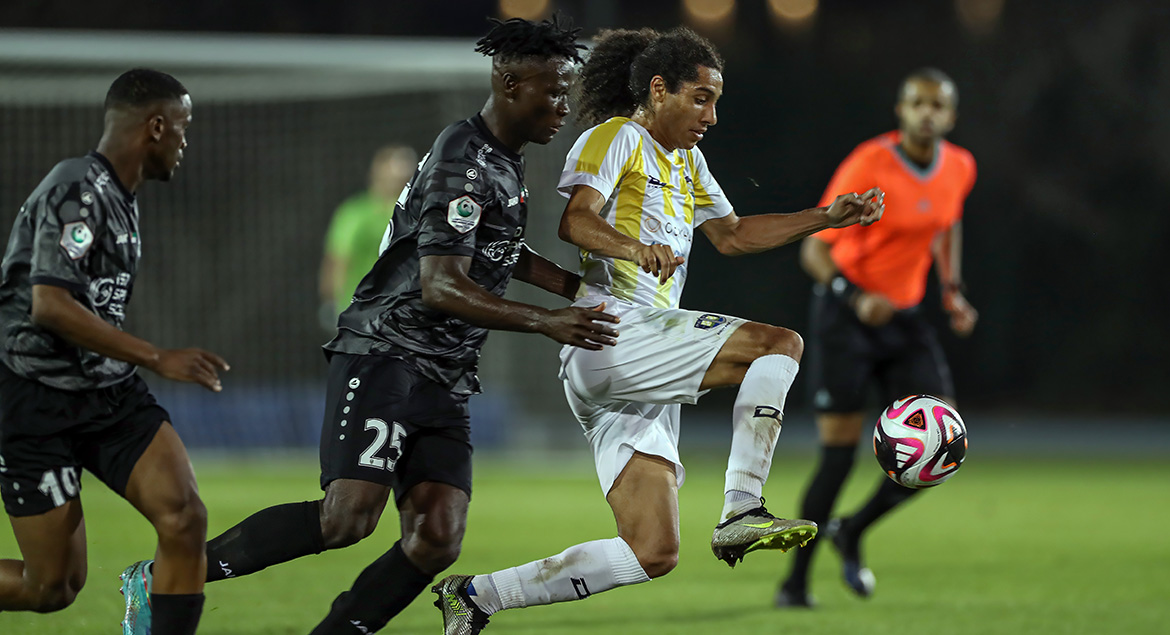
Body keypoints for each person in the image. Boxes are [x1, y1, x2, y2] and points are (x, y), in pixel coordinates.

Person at [118, 14, 609, 635]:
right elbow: (440, 283)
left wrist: (579, 286)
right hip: (389, 352)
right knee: (346, 518)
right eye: (555, 90)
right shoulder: (464, 155)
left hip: (446, 370)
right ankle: (163, 575)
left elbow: (498, 253)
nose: (565, 104)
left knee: (437, 536)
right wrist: (548, 320)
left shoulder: (504, 163)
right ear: (511, 84)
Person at [432, 27, 884, 634]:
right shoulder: (619, 137)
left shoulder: (687, 160)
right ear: (657, 89)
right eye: (700, 98)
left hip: (633, 362)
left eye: (715, 101)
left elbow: (734, 235)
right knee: (778, 345)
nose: (712, 115)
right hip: (615, 330)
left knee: (652, 552)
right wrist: (632, 247)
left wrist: (824, 218)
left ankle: (475, 597)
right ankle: (742, 506)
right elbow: (575, 221)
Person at [0, 69, 225, 635]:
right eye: (182, 128)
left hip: (106, 391)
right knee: (51, 587)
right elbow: (49, 304)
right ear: (155, 126)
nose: (184, 142)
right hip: (33, 396)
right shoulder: (77, 187)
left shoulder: (122, 200)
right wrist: (155, 356)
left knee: (183, 516)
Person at [776, 67, 978, 608]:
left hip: (904, 321)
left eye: (938, 105)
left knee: (944, 446)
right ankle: (794, 585)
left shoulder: (959, 166)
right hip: (846, 317)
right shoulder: (871, 163)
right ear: (901, 110)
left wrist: (952, 289)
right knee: (838, 458)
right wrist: (854, 295)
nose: (927, 113)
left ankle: (854, 529)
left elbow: (947, 223)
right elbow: (813, 249)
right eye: (918, 103)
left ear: (951, 117)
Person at [318, 145, 417, 327]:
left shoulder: (418, 214)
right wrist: (332, 304)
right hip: (361, 314)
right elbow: (337, 261)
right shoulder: (355, 214)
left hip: (406, 313)